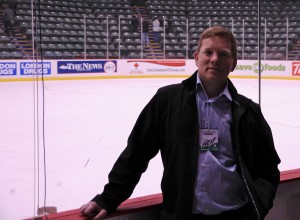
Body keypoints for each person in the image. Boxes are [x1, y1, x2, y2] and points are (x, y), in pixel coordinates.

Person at [80, 26, 281, 220]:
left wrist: (256, 210)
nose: (214, 59)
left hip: (235, 215)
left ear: (234, 63)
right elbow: (136, 153)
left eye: (223, 54)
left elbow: (268, 169)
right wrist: (109, 198)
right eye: (208, 52)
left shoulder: (248, 111)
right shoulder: (167, 100)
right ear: (196, 57)